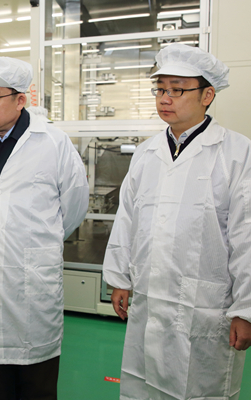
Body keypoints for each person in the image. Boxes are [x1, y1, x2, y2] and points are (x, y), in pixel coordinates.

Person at [103, 43, 251, 400]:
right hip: (150, 302)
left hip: (205, 308)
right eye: (160, 89)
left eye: (177, 90)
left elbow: (246, 235)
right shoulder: (146, 153)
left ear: (207, 95)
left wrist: (246, 309)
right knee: (143, 384)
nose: (165, 99)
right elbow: (127, 218)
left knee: (198, 388)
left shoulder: (236, 153)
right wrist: (119, 278)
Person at [0, 56, 89, 400]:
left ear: (20, 100)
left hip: (33, 285)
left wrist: (32, 245)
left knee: (36, 387)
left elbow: (73, 208)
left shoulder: (53, 143)